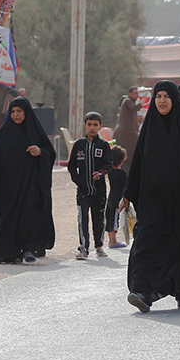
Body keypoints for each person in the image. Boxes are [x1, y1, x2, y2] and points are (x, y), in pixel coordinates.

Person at [121, 81, 180, 313]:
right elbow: (137, 165)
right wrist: (127, 194)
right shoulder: (149, 129)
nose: (161, 100)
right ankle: (141, 292)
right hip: (152, 201)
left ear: (174, 100)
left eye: (166, 96)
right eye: (158, 96)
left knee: (179, 247)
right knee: (146, 243)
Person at [0, 96, 56, 264]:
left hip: (30, 184)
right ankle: (11, 252)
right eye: (13, 111)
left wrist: (40, 152)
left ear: (26, 112)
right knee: (8, 217)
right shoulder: (4, 133)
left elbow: (50, 153)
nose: (15, 115)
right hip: (8, 185)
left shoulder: (35, 132)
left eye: (19, 111)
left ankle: (27, 248)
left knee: (28, 215)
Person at [68, 111, 112, 259]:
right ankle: (83, 248)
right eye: (89, 124)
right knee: (83, 218)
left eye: (95, 125)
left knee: (98, 219)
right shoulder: (79, 145)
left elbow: (108, 164)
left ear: (100, 126)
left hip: (99, 190)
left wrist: (100, 173)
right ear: (85, 126)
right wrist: (77, 180)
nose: (92, 127)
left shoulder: (103, 145)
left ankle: (99, 246)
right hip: (83, 190)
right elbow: (71, 165)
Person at [113, 87, 141, 172]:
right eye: (135, 93)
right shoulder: (128, 101)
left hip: (127, 133)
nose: (137, 95)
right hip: (126, 134)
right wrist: (142, 102)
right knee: (127, 154)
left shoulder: (128, 102)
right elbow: (135, 107)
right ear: (130, 94)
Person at [106, 145, 128, 249]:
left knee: (110, 219)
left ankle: (111, 240)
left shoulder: (110, 172)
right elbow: (126, 187)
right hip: (118, 200)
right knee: (115, 220)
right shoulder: (122, 173)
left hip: (111, 197)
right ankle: (113, 242)